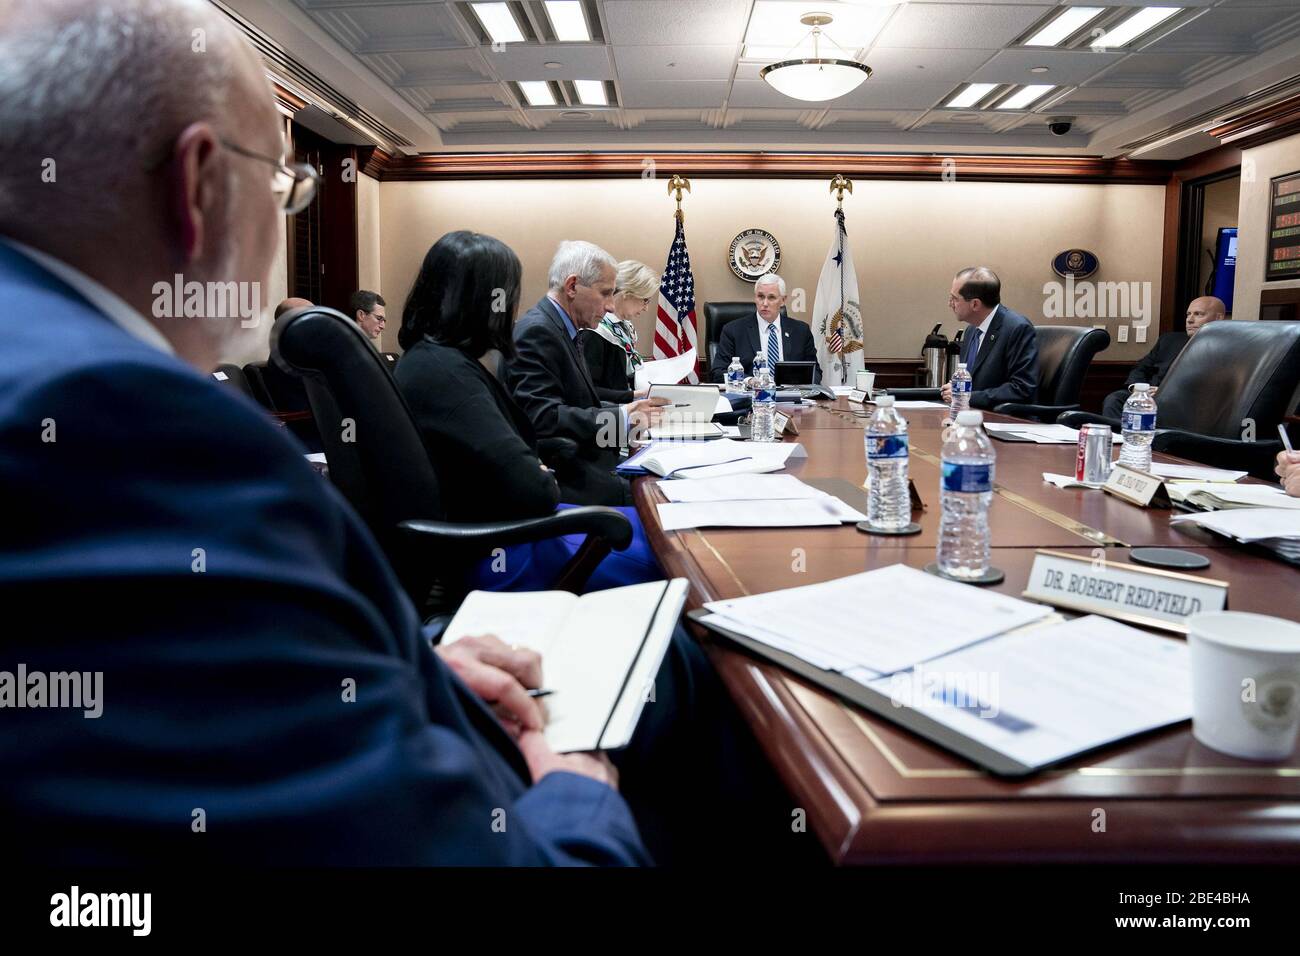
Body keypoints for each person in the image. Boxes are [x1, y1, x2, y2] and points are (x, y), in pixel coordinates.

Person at [0, 0, 796, 866]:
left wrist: (417, 666)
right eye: (285, 185)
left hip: (444, 665)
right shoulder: (119, 421)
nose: (286, 219)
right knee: (708, 670)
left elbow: (224, 700)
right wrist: (581, 798)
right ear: (198, 186)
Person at [393, 231, 661, 590]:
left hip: (509, 527)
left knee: (659, 522)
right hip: (504, 545)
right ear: (482, 300)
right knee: (670, 551)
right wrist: (538, 469)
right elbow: (535, 486)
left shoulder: (432, 361)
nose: (513, 309)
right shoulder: (446, 374)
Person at [506, 241, 667, 506]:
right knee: (662, 501)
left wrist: (629, 410)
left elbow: (578, 405)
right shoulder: (537, 332)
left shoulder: (562, 328)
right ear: (572, 287)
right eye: (605, 293)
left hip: (591, 460)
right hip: (571, 475)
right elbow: (542, 417)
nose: (611, 306)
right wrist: (622, 417)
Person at [1101, 296, 1226, 418]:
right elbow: (1141, 368)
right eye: (1188, 314)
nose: (1190, 320)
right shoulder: (1168, 340)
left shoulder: (1226, 350)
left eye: (1198, 314)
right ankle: (1121, 439)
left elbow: (1210, 387)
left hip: (1184, 403)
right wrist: (1139, 389)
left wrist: (1166, 392)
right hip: (1148, 396)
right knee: (1115, 399)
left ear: (1218, 318)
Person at [939, 266, 1038, 410]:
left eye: (954, 299)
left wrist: (967, 396)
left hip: (1006, 421)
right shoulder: (971, 330)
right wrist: (955, 390)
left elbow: (1022, 389)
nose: (950, 304)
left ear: (975, 304)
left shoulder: (1017, 328)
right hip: (972, 416)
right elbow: (972, 383)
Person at [708, 273, 818, 382]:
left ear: (783, 300)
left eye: (771, 297)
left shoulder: (801, 331)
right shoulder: (733, 330)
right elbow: (717, 373)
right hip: (750, 395)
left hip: (790, 396)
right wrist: (748, 380)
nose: (765, 303)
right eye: (760, 297)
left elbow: (815, 372)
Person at [579, 259, 655, 404]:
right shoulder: (594, 330)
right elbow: (588, 390)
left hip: (628, 408)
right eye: (645, 300)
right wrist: (632, 396)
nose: (646, 308)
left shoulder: (624, 327)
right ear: (627, 293)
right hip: (607, 416)